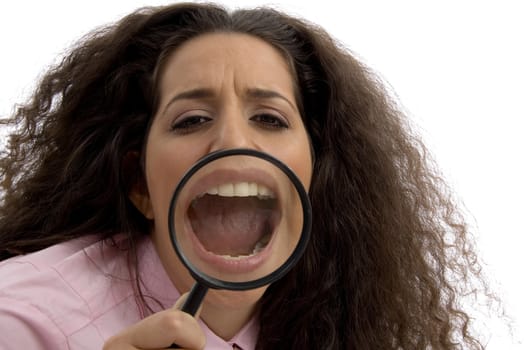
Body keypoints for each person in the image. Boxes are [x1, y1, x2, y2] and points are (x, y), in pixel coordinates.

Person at [0, 2, 488, 349]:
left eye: (270, 119)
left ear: (318, 178)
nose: (233, 141)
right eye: (191, 120)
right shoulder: (21, 321)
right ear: (140, 185)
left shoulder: (330, 318)